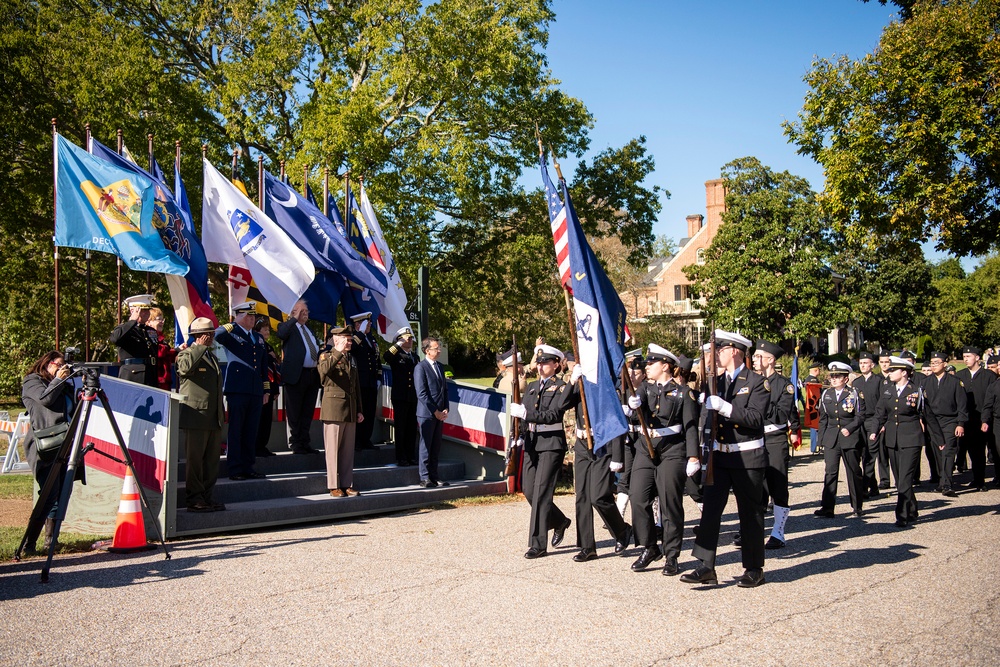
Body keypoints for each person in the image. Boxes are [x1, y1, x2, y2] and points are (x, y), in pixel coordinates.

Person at [680, 330, 769, 588]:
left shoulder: (755, 382)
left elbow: (755, 419)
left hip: (747, 457)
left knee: (749, 514)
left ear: (736, 351)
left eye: (721, 349)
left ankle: (754, 568)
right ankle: (706, 566)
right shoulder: (714, 383)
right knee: (710, 511)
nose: (716, 353)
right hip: (720, 456)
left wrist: (727, 408)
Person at [625, 344, 699, 574]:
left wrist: (693, 456)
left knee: (670, 504)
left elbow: (690, 427)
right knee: (638, 497)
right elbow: (637, 414)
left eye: (651, 363)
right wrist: (631, 406)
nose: (647, 367)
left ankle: (672, 554)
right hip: (646, 448)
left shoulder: (684, 393)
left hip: (673, 450)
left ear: (665, 366)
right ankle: (649, 547)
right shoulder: (645, 389)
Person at [509, 345, 574, 559]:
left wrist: (526, 414)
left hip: (551, 443)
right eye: (538, 362)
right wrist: (515, 435)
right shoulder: (532, 387)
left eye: (545, 362)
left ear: (556, 364)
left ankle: (538, 544)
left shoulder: (561, 387)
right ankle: (559, 521)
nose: (540, 366)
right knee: (529, 490)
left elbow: (554, 414)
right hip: (531, 441)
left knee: (541, 493)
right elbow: (520, 416)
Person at [567, 356, 630, 564]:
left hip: (603, 445)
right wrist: (571, 382)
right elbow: (561, 404)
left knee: (598, 496)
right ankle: (587, 546)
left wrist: (618, 457)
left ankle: (621, 530)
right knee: (582, 496)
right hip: (583, 444)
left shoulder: (607, 387)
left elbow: (617, 423)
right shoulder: (580, 384)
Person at [20, 351, 77, 554]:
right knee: (48, 494)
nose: (63, 369)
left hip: (66, 444)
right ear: (46, 363)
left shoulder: (64, 385)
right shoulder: (32, 382)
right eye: (59, 364)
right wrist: (59, 381)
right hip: (45, 447)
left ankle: (51, 541)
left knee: (62, 493)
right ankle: (29, 545)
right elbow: (46, 400)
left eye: (65, 366)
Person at [752, 339, 800, 549]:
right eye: (754, 356)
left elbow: (781, 415)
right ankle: (752, 530)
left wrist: (762, 405)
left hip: (774, 439)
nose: (754, 360)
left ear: (770, 360)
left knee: (777, 486)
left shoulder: (784, 385)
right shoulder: (751, 381)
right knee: (754, 487)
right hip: (754, 439)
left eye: (758, 356)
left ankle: (778, 532)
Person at [215, 301, 270, 481]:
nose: (252, 319)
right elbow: (218, 334)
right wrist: (233, 322)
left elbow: (263, 366)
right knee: (237, 430)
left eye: (254, 316)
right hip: (237, 389)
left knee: (250, 430)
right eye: (248, 316)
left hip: (255, 391)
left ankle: (248, 466)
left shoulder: (258, 337)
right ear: (239, 316)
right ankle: (235, 468)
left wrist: (266, 390)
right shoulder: (233, 333)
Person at [867, 356, 924, 528]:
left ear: (904, 373)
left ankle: (902, 514)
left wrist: (939, 438)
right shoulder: (888, 391)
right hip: (893, 438)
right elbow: (879, 413)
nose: (890, 372)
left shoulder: (916, 391)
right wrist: (874, 431)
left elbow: (927, 415)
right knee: (900, 477)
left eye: (893, 370)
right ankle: (912, 508)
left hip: (911, 437)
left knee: (905, 477)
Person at [176, 318, 226, 512]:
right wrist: (199, 347)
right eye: (209, 334)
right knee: (195, 461)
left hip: (213, 416)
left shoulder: (210, 355)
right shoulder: (187, 353)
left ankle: (206, 496)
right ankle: (194, 498)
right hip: (196, 415)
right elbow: (184, 368)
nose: (212, 337)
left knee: (211, 462)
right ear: (200, 336)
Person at [815, 361, 865, 518]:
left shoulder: (854, 394)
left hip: (849, 438)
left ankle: (857, 505)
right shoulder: (826, 394)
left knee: (853, 471)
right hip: (831, 438)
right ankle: (827, 507)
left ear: (846, 378)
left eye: (838, 376)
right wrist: (820, 440)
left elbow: (860, 416)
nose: (834, 379)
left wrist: (849, 428)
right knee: (830, 472)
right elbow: (823, 419)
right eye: (832, 376)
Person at [319, 324, 364, 497]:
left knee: (347, 451)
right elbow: (322, 374)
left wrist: (359, 409)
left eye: (351, 339)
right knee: (333, 450)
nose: (350, 343)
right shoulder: (327, 355)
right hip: (334, 409)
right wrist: (337, 351)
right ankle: (333, 485)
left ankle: (347, 484)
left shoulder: (351, 359)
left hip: (350, 410)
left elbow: (356, 386)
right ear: (337, 340)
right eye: (347, 340)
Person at [276, 300, 322, 455]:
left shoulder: (309, 330)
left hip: (311, 375)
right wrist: (294, 318)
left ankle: (305, 441)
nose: (306, 314)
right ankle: (295, 443)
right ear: (294, 312)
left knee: (307, 411)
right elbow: (281, 334)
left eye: (306, 311)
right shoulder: (288, 327)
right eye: (302, 311)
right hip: (296, 375)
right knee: (294, 411)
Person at [922, 351, 967, 497]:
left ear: (944, 364)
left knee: (948, 451)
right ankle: (942, 481)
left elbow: (962, 404)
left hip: (950, 421)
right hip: (933, 422)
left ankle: (947, 484)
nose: (933, 365)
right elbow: (923, 405)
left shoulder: (955, 382)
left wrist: (960, 423)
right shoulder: (926, 382)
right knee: (937, 452)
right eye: (932, 363)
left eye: (936, 363)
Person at [955, 345, 998, 491]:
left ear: (977, 358)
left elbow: (992, 397)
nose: (965, 359)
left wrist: (987, 418)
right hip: (965, 418)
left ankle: (980, 480)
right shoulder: (960, 376)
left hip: (982, 418)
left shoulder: (989, 376)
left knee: (980, 450)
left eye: (968, 356)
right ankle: (974, 477)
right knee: (967, 449)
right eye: (964, 356)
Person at [413, 336, 450, 488]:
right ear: (427, 351)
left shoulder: (439, 367)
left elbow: (444, 390)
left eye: (439, 347)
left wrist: (446, 407)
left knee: (436, 446)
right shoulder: (420, 367)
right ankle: (425, 477)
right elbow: (421, 393)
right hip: (427, 414)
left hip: (439, 413)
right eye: (436, 348)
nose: (439, 350)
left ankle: (434, 476)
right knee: (426, 446)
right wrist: (435, 411)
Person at [383, 327, 420, 467]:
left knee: (411, 428)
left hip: (412, 396)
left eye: (410, 338)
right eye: (406, 338)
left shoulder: (414, 357)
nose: (410, 340)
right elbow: (386, 356)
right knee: (401, 427)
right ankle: (401, 457)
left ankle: (411, 456)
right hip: (400, 396)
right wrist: (397, 344)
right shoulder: (396, 355)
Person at [616, 353, 646, 518]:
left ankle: (657, 520)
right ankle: (618, 514)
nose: (632, 375)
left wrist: (633, 414)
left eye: (636, 372)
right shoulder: (623, 390)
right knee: (625, 475)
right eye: (630, 371)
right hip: (628, 438)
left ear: (643, 374)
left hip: (643, 437)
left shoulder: (647, 389)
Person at [109, 294, 159, 387]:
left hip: (150, 375)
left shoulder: (150, 331)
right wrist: (132, 321)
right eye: (143, 310)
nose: (147, 313)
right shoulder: (125, 329)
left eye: (148, 310)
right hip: (132, 376)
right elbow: (115, 339)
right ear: (133, 311)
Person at [852, 351, 884, 497]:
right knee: (862, 454)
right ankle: (874, 486)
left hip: (873, 421)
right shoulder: (856, 382)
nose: (863, 365)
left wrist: (881, 423)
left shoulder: (879, 381)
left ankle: (864, 488)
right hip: (860, 421)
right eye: (861, 363)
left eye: (866, 363)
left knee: (870, 455)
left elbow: (883, 404)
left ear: (872, 365)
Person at [349, 311, 382, 450]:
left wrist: (379, 377)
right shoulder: (354, 338)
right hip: (359, 381)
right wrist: (360, 333)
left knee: (369, 411)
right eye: (366, 323)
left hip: (371, 381)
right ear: (358, 324)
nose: (369, 325)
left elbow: (377, 359)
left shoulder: (371, 339)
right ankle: (356, 440)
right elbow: (352, 349)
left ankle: (366, 438)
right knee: (359, 412)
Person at [254, 317, 281, 458]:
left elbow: (274, 369)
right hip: (260, 388)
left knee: (266, 419)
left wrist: (275, 389)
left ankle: (263, 445)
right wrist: (270, 358)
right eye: (264, 329)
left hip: (270, 387)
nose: (267, 331)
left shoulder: (268, 346)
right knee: (260, 418)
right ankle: (256, 446)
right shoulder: (257, 345)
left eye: (268, 329)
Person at [146, 307, 181, 391]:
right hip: (156, 381)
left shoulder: (161, 338)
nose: (162, 322)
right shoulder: (148, 337)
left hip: (165, 381)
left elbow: (168, 357)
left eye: (162, 319)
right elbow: (159, 352)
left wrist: (178, 351)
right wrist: (174, 350)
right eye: (158, 319)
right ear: (149, 322)